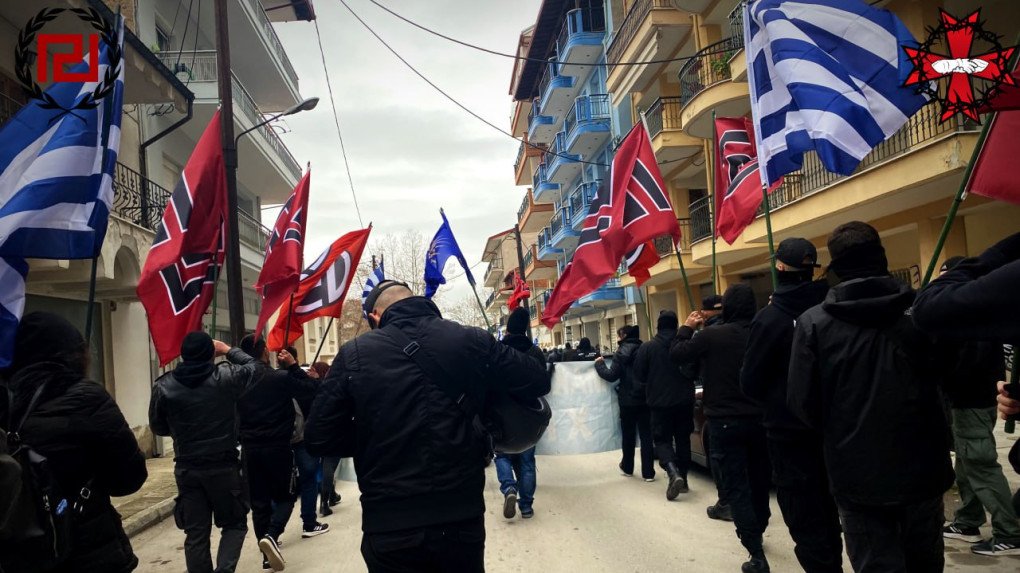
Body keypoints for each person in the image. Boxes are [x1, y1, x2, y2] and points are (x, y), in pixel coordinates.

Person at [305, 281, 550, 572]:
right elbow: (537, 380)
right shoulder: (470, 339)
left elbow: (319, 436)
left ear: (374, 317)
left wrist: (372, 436)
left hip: (389, 521)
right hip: (460, 515)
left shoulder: (355, 353)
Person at [788, 221, 954, 573]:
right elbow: (948, 376)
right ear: (880, 256)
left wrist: (843, 430)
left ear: (834, 264)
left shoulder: (813, 324)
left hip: (856, 473)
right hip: (922, 466)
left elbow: (803, 405)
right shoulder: (922, 310)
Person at [0, 312, 147, 573]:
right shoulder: (85, 397)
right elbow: (129, 478)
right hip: (88, 551)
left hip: (19, 556)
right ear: (73, 353)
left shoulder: (5, 404)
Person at [739, 238, 841, 573]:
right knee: (834, 511)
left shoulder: (769, 319)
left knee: (806, 515)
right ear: (812, 271)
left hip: (789, 434)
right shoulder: (833, 309)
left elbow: (750, 381)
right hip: (837, 429)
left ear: (779, 268)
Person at [672, 284, 771, 573]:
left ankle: (755, 551)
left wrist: (687, 328)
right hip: (761, 419)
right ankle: (759, 529)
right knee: (759, 482)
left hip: (725, 422)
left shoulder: (712, 336)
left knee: (737, 487)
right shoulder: (762, 331)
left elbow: (677, 354)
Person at [150, 332, 262, 573]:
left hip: (188, 467)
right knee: (234, 523)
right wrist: (229, 349)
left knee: (196, 533)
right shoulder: (226, 377)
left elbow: (158, 426)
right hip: (223, 464)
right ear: (210, 354)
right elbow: (256, 367)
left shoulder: (163, 385)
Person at [237, 335, 320, 571]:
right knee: (285, 496)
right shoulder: (279, 378)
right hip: (278, 447)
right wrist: (294, 366)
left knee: (260, 501)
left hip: (250, 449)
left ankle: (266, 553)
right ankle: (271, 536)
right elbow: (311, 391)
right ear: (264, 352)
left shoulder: (236, 382)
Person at [632, 310, 693, 500]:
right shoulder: (685, 346)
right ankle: (683, 477)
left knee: (662, 440)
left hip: (659, 403)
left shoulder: (648, 347)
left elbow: (639, 375)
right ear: (676, 326)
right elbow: (695, 369)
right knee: (683, 439)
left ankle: (672, 472)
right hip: (684, 401)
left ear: (658, 326)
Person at [494, 307, 546, 520]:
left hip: (502, 413)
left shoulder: (498, 350)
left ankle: (509, 488)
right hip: (528, 414)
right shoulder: (534, 353)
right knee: (527, 461)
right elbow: (544, 385)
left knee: (502, 455)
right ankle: (526, 506)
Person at [283, 345, 331, 543]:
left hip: (280, 441)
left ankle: (272, 530)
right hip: (303, 439)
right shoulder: (303, 382)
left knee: (279, 484)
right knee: (308, 480)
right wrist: (314, 379)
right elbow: (320, 395)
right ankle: (309, 523)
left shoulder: (270, 380)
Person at [595, 326, 654, 481]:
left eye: (618, 335)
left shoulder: (621, 353)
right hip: (645, 399)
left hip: (627, 400)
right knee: (646, 435)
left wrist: (599, 364)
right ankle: (648, 473)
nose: (617, 338)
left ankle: (628, 467)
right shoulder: (645, 350)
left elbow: (611, 375)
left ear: (624, 335)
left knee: (628, 435)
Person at [307, 361, 342, 517]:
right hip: (331, 430)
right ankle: (324, 503)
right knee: (329, 465)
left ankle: (332, 495)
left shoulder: (310, 386)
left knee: (324, 465)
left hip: (313, 432)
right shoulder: (328, 385)